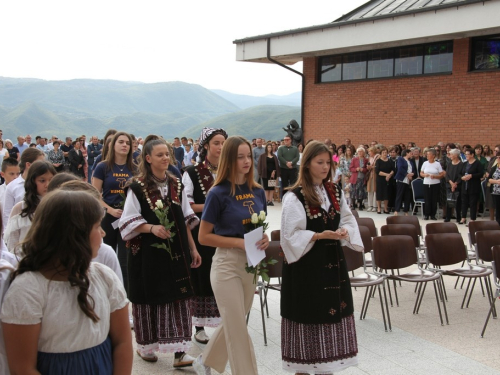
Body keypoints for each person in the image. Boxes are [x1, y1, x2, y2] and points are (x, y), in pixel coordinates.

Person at [0, 190, 133, 374]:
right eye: (97, 226)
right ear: (75, 234)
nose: (103, 233)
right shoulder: (28, 290)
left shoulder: (104, 277)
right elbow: (23, 367)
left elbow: (122, 342)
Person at [279, 141, 363, 375]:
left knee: (330, 324)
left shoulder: (334, 191)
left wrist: (345, 231)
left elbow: (347, 218)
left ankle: (327, 369)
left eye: (328, 162)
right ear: (306, 165)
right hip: (306, 270)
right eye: (320, 162)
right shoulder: (294, 197)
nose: (326, 167)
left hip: (332, 266)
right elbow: (289, 237)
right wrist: (317, 235)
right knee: (308, 323)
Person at [119, 138, 201, 366]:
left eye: (167, 154)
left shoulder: (177, 184)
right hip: (148, 255)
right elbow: (128, 222)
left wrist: (193, 248)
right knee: (149, 295)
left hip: (177, 251)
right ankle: (146, 347)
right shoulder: (136, 187)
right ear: (147, 159)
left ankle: (180, 353)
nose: (165, 158)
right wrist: (151, 227)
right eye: (159, 155)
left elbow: (185, 218)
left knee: (179, 295)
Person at [193, 136, 269, 375]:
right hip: (226, 264)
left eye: (249, 156)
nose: (247, 161)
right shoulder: (218, 193)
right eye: (240, 157)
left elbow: (260, 227)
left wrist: (264, 240)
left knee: (234, 322)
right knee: (237, 328)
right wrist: (238, 243)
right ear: (229, 159)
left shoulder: (258, 192)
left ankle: (205, 361)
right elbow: (203, 236)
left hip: (251, 263)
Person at [183, 127, 227, 345]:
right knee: (202, 276)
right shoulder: (191, 172)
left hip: (226, 232)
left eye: (223, 143)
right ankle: (199, 326)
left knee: (223, 275)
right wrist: (213, 207)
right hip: (202, 231)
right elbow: (187, 204)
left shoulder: (231, 170)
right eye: (216, 143)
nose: (220, 147)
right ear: (206, 146)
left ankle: (224, 322)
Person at [92, 132, 135, 292]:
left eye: (127, 143)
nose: (125, 145)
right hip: (107, 218)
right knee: (104, 256)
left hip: (128, 219)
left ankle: (123, 296)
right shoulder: (102, 166)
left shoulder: (135, 168)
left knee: (125, 260)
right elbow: (95, 193)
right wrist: (109, 209)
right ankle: (102, 291)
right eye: (121, 142)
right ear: (113, 145)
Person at [5, 160, 56, 256]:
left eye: (51, 180)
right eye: (42, 180)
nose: (47, 184)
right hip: (24, 261)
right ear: (32, 181)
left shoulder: (58, 206)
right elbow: (12, 244)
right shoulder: (21, 208)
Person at [2, 148, 45, 229]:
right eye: (40, 163)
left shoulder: (43, 184)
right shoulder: (12, 187)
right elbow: (7, 215)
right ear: (28, 165)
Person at [460, 148, 484, 225]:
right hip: (465, 186)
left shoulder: (477, 163)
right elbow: (460, 173)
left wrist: (472, 176)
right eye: (465, 154)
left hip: (473, 186)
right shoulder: (464, 163)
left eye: (467, 154)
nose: (466, 156)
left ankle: (472, 219)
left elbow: (481, 173)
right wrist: (462, 177)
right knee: (464, 202)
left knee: (473, 203)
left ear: (472, 155)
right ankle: (463, 217)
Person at [420, 149, 445, 220]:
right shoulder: (425, 163)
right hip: (426, 183)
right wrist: (425, 175)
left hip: (435, 184)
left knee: (434, 199)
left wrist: (435, 176)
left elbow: (441, 175)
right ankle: (426, 214)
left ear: (433, 156)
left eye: (429, 154)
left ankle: (433, 214)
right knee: (427, 199)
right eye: (427, 154)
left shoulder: (437, 164)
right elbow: (421, 173)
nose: (427, 155)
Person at [444, 149, 463, 223]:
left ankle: (458, 217)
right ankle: (448, 217)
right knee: (449, 201)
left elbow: (461, 175)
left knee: (458, 202)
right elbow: (447, 174)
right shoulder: (449, 164)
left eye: (451, 154)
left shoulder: (461, 164)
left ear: (455, 155)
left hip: (458, 185)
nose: (450, 156)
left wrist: (455, 184)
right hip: (449, 184)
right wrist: (451, 183)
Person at [394, 149, 414, 216]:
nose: (411, 154)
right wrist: (407, 174)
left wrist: (412, 175)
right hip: (402, 179)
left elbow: (412, 170)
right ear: (407, 153)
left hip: (408, 181)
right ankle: (396, 210)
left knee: (407, 196)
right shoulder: (401, 159)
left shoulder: (410, 161)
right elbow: (400, 168)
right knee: (399, 195)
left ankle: (406, 210)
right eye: (410, 153)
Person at [375, 147, 395, 214]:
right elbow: (377, 171)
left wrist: (389, 175)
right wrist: (386, 174)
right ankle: (379, 208)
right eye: (383, 152)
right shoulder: (378, 161)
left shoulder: (390, 161)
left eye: (386, 152)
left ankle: (386, 208)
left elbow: (393, 169)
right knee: (379, 193)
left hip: (388, 179)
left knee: (387, 193)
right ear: (380, 154)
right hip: (380, 179)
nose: (385, 154)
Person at [485, 144, 500, 221]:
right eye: (494, 150)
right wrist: (487, 173)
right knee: (492, 203)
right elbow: (488, 170)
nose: (495, 152)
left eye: (497, 151)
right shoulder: (493, 159)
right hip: (494, 188)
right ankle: (492, 221)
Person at [365, 146, 380, 212]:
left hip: (375, 175)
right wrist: (368, 167)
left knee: (375, 190)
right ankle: (370, 205)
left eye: (370, 151)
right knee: (369, 190)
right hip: (370, 175)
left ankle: (375, 206)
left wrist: (372, 167)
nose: (369, 153)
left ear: (373, 151)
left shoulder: (378, 157)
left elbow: (378, 166)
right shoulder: (370, 158)